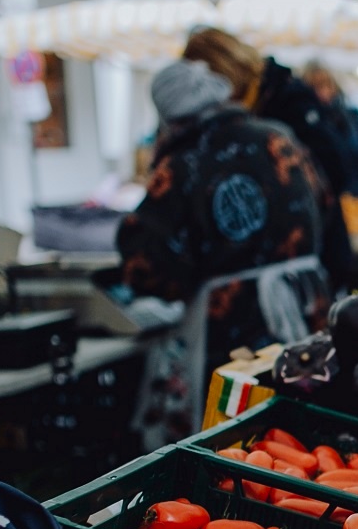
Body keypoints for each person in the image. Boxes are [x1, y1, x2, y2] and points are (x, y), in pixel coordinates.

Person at [117, 60, 344, 363]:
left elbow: (147, 262)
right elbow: (326, 207)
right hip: (308, 305)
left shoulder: (182, 164)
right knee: (305, 391)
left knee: (242, 405)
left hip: (233, 330)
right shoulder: (277, 136)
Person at [182, 29, 358, 284]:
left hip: (312, 260)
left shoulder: (287, 102)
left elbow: (336, 171)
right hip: (281, 264)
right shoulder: (268, 98)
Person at [301, 60, 358, 200]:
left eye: (327, 84)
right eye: (316, 87)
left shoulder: (352, 116)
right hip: (329, 201)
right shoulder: (307, 124)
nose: (324, 92)